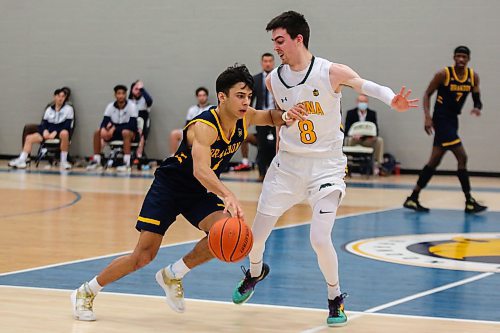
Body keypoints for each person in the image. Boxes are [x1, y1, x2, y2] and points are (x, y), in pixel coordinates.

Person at [231, 11, 417, 327]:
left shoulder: (330, 72)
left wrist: (391, 100)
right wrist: (283, 119)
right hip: (288, 165)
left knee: (319, 238)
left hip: (326, 168)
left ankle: (335, 298)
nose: (276, 47)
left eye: (280, 40)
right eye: (274, 42)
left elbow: (365, 84)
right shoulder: (273, 79)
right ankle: (254, 271)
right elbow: (279, 117)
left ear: (297, 38)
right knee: (256, 237)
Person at [71, 65, 296, 321]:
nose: (246, 102)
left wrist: (291, 115)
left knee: (225, 233)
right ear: (222, 97)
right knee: (142, 256)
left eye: (248, 96)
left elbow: (269, 117)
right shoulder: (203, 126)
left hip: (198, 192)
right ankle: (86, 292)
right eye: (240, 96)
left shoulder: (244, 117)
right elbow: (201, 170)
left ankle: (173, 274)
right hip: (171, 186)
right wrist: (227, 194)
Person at [403, 46, 487, 214]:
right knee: (462, 157)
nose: (461, 59)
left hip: (453, 120)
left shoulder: (473, 77)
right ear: (453, 57)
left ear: (469, 59)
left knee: (434, 161)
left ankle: (413, 197)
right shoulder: (444, 74)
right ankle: (469, 201)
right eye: (458, 56)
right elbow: (427, 94)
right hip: (441, 119)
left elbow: (477, 99)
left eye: (464, 57)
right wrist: (427, 116)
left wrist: (477, 107)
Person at [234, 53, 277, 178]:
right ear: (262, 63)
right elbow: (250, 100)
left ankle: (275, 174)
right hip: (261, 117)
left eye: (270, 61)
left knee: (277, 146)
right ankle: (262, 173)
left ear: (273, 63)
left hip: (276, 117)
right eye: (265, 61)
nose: (268, 63)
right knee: (262, 146)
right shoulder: (256, 79)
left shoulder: (278, 78)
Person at [9, 88, 74, 169]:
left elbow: (67, 125)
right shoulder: (49, 109)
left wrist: (55, 132)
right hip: (48, 133)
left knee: (65, 133)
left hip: (59, 133)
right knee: (29, 138)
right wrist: (44, 131)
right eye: (59, 96)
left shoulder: (69, 109)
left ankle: (63, 161)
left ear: (65, 98)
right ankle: (22, 160)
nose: (61, 98)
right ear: (54, 97)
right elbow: (44, 124)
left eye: (63, 96)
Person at [87, 85, 138, 172]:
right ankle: (97, 161)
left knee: (125, 132)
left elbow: (132, 125)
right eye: (119, 93)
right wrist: (103, 128)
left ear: (126, 95)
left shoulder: (132, 106)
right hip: (114, 134)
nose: (121, 96)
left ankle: (127, 163)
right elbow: (104, 121)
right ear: (115, 95)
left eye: (123, 93)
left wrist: (114, 128)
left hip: (130, 133)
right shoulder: (110, 106)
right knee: (97, 131)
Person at [344, 94, 384, 174]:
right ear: (357, 102)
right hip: (354, 139)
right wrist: (353, 135)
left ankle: (377, 164)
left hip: (367, 140)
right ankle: (347, 164)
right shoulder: (350, 113)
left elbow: (375, 129)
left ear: (367, 102)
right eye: (361, 101)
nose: (363, 103)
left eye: (364, 101)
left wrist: (369, 136)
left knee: (379, 140)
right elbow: (347, 129)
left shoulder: (372, 113)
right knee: (347, 140)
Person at [169, 87, 214, 155]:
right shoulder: (192, 109)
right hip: (192, 132)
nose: (202, 97)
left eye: (204, 95)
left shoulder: (212, 109)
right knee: (174, 133)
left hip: (205, 132)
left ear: (207, 96)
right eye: (200, 95)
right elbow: (187, 124)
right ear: (197, 97)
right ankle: (173, 157)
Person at [129, 80, 153, 161]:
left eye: (140, 89)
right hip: (131, 126)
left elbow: (150, 101)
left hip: (142, 127)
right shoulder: (128, 101)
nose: (138, 91)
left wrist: (142, 89)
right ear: (131, 90)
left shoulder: (145, 100)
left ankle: (138, 157)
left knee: (141, 135)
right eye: (136, 89)